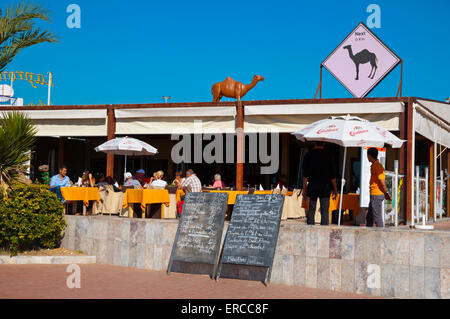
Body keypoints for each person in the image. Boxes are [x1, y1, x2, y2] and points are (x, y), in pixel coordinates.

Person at [302, 142, 338, 225]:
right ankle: (324, 230)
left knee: (311, 210)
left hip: (312, 185)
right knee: (325, 210)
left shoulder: (308, 155)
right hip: (325, 186)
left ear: (314, 143)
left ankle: (310, 230)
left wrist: (304, 190)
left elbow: (305, 175)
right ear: (324, 144)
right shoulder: (328, 155)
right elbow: (333, 176)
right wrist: (335, 189)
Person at [366, 147, 392, 227]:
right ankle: (369, 233)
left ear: (370, 156)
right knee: (369, 217)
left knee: (377, 217)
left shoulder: (378, 167)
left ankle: (381, 234)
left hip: (377, 194)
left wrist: (386, 192)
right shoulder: (374, 165)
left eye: (367, 155)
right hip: (374, 194)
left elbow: (381, 181)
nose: (367, 157)